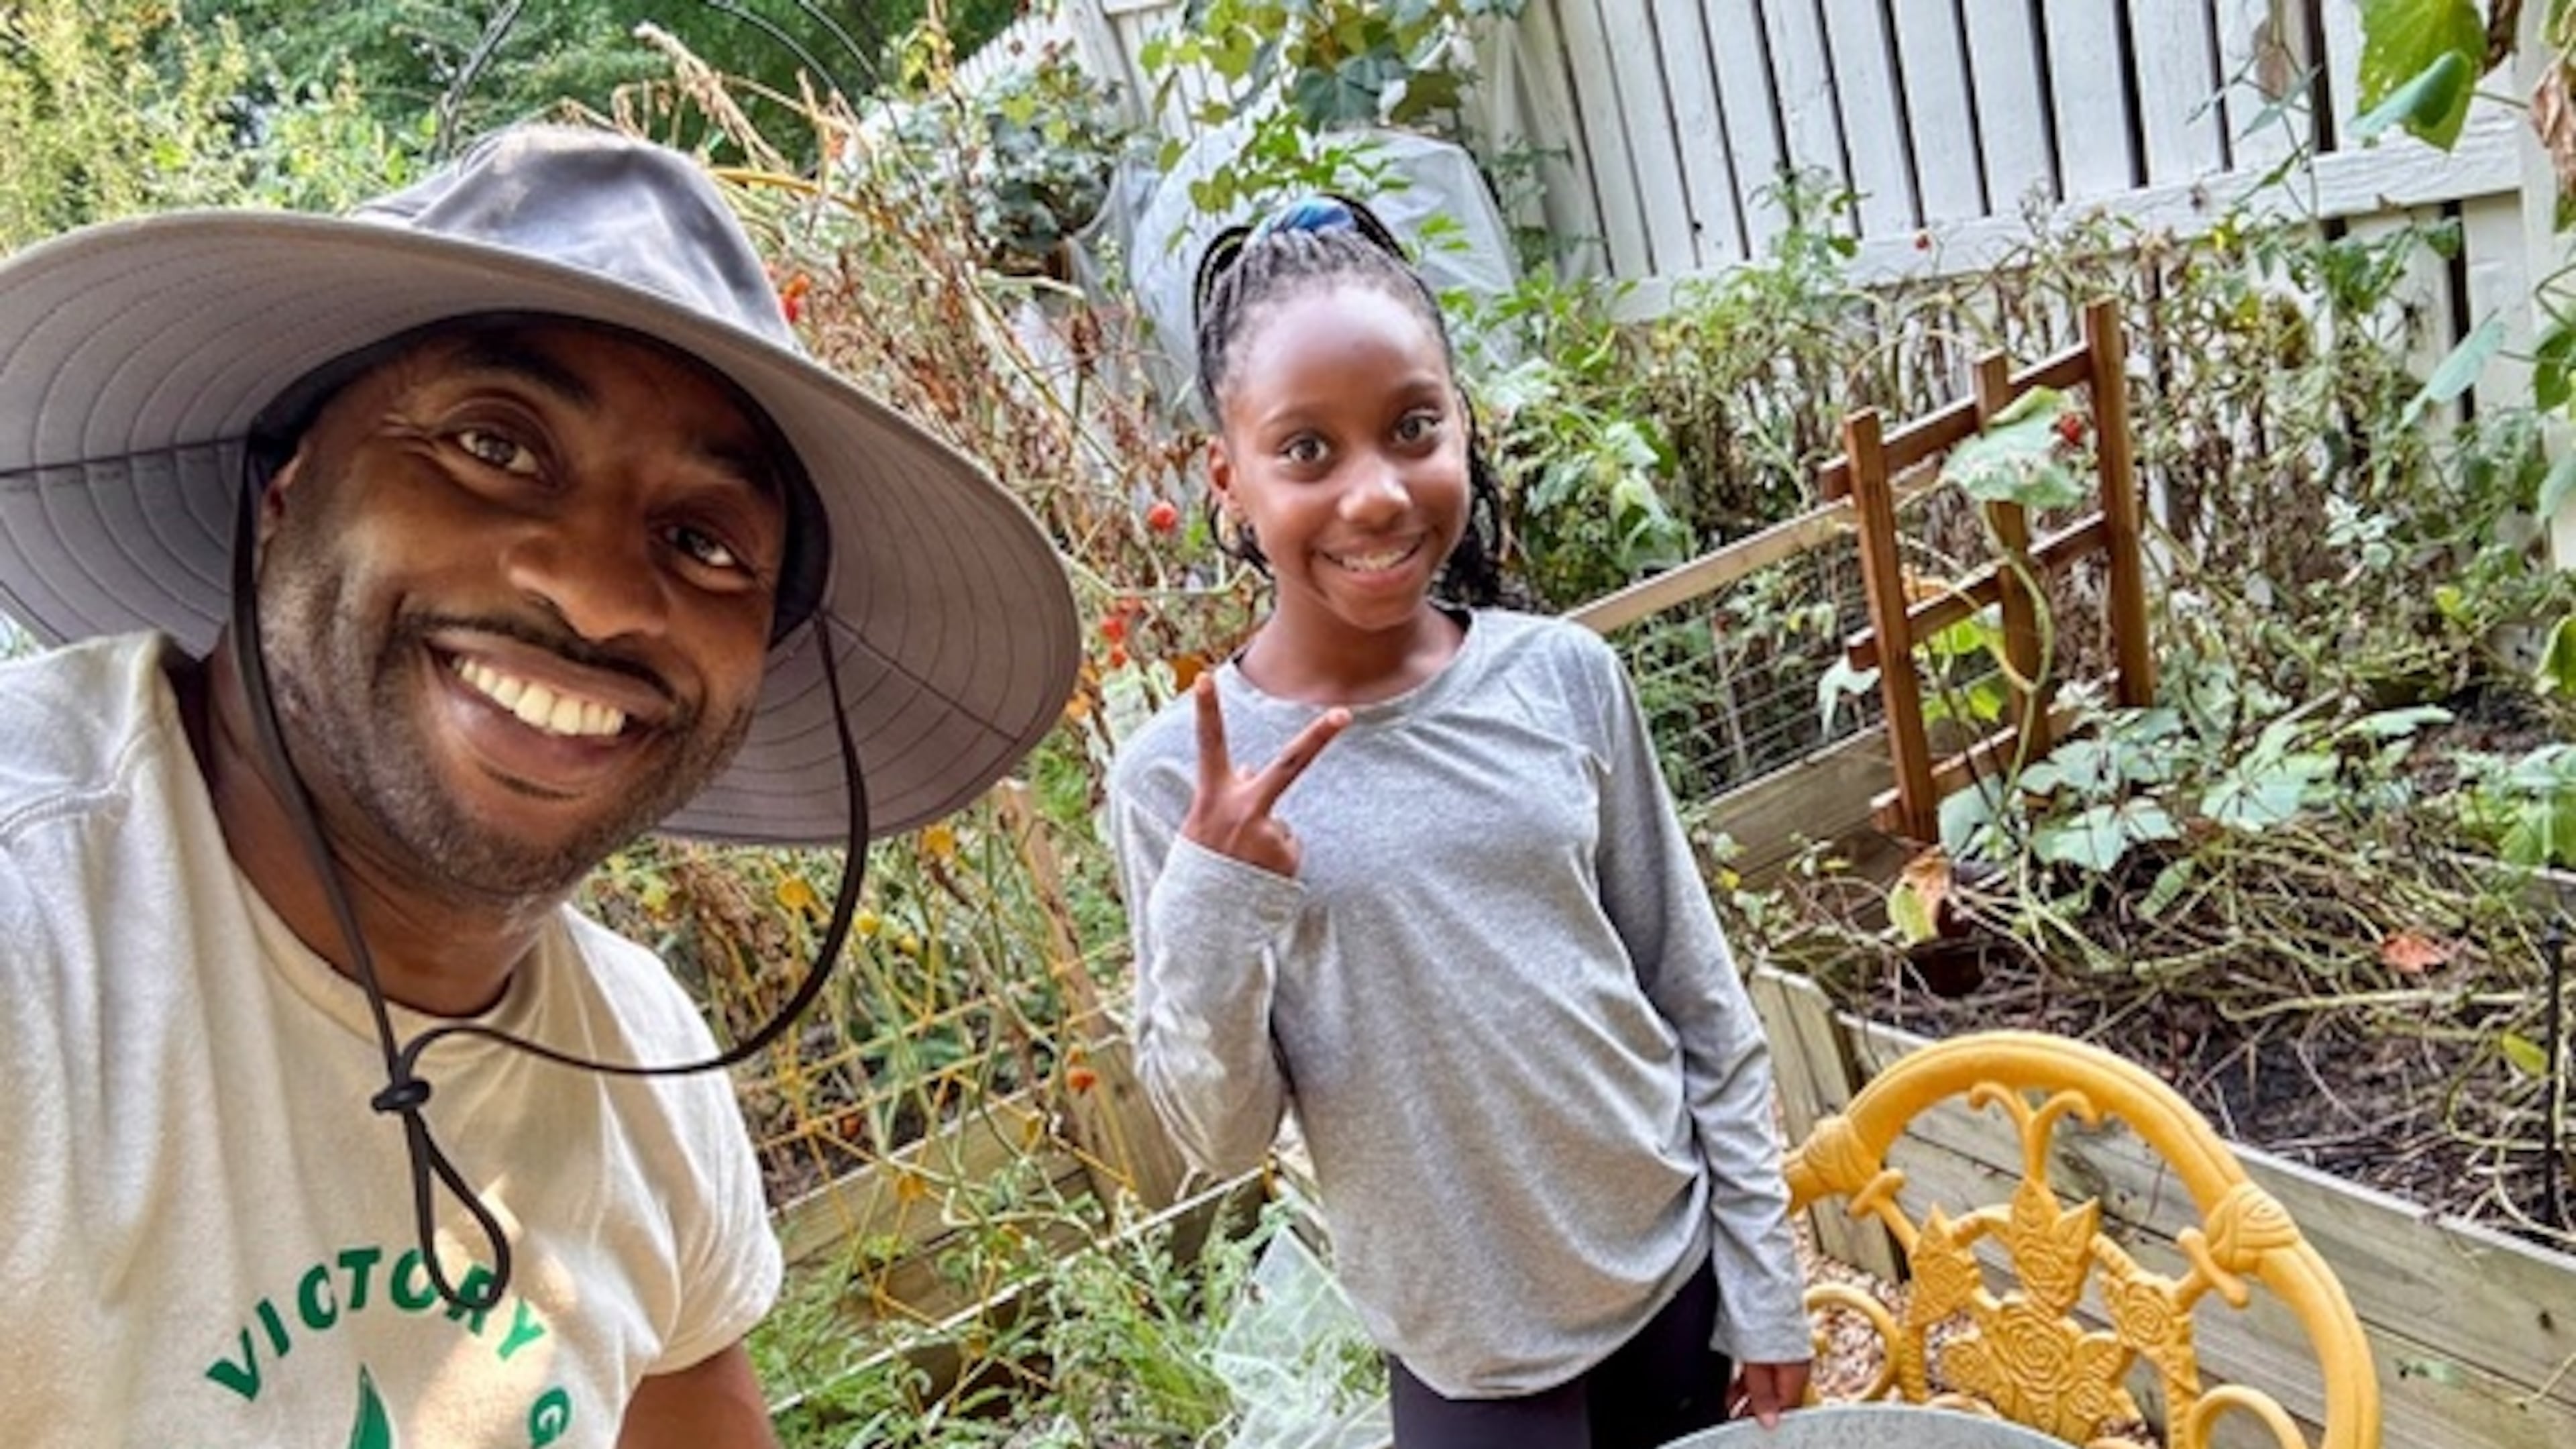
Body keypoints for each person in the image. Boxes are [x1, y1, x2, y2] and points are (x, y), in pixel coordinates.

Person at [0, 125, 1077, 1446]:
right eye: (496, 448)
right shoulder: (36, 947)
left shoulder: (644, 1065)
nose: (600, 590)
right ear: (284, 482)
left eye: (703, 542)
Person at [1106, 196, 1815, 1449]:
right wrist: (1217, 896)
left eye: (1413, 429)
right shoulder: (1181, 781)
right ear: (1227, 474)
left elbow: (1695, 995)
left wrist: (1763, 1289)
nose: (1377, 495)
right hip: (1466, 1361)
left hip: (1675, 1284)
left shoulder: (1560, 678)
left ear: (1464, 427)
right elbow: (1217, 1143)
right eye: (1307, 451)